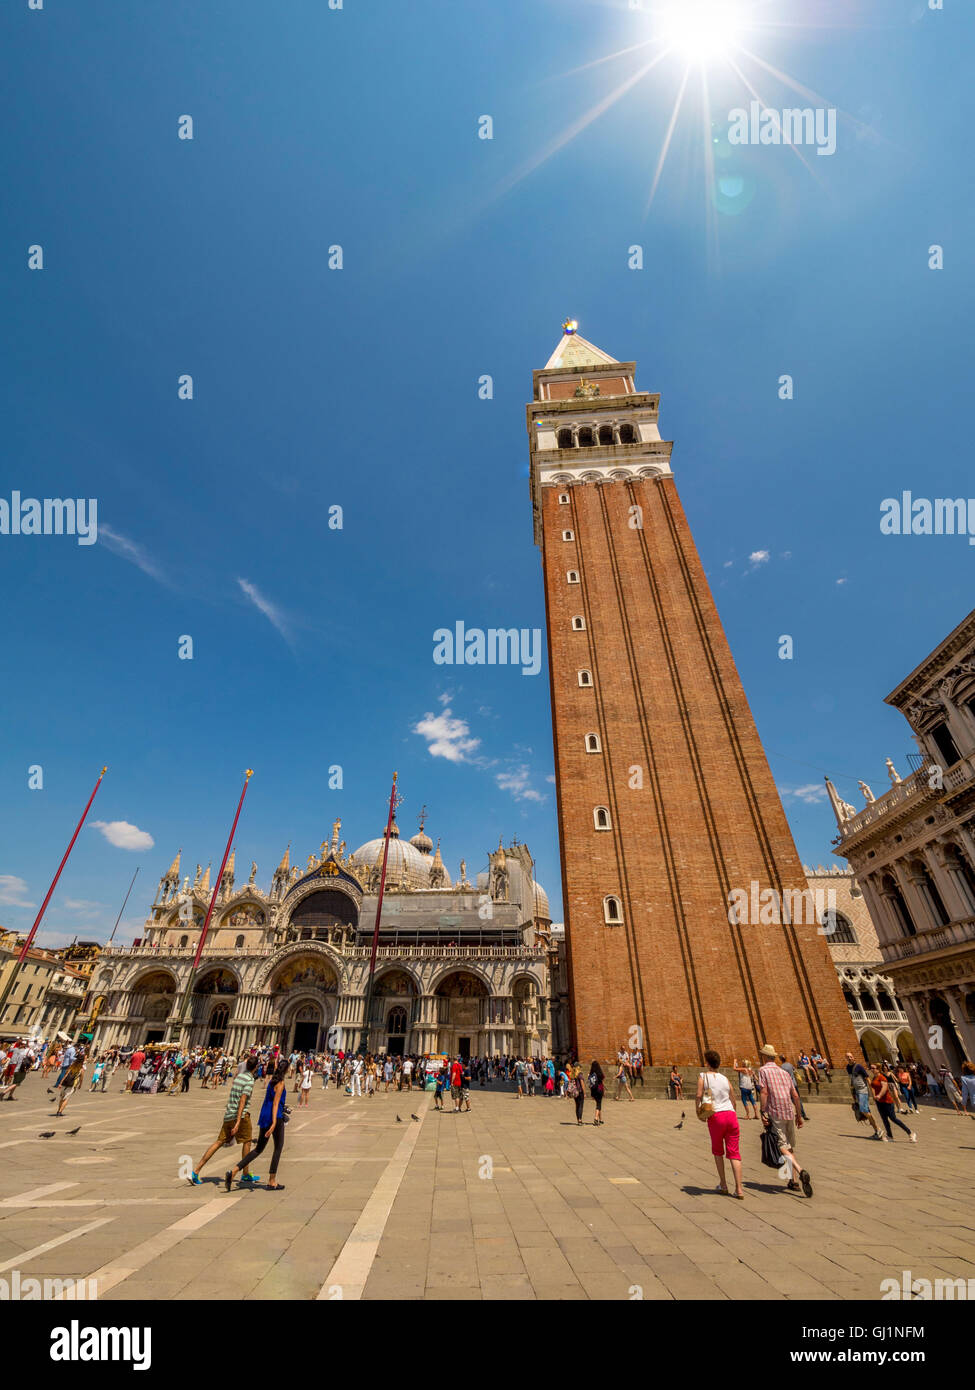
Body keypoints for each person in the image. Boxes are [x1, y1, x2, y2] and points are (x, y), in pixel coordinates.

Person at [189, 1055, 259, 1186]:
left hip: (229, 1114)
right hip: (241, 1116)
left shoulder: (239, 1078)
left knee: (219, 1142)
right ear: (256, 1067)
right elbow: (242, 1101)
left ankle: (196, 1171)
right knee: (247, 1141)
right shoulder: (249, 1080)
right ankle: (245, 1174)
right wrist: (238, 1121)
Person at [757, 1043, 811, 1196]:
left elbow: (764, 1092)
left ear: (764, 1056)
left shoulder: (763, 1071)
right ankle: (792, 1181)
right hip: (789, 1112)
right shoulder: (784, 1072)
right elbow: (795, 1095)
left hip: (776, 1113)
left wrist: (763, 1111)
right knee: (788, 1147)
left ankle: (800, 1171)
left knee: (781, 1146)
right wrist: (799, 1116)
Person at [227, 1058, 288, 1191]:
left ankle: (234, 1171)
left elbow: (271, 1101)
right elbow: (276, 1104)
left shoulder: (272, 1081)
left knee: (258, 1149)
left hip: (264, 1115)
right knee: (278, 1148)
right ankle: (272, 1181)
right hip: (274, 1117)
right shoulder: (281, 1083)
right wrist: (274, 1123)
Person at [697, 1050, 744, 1199]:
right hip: (731, 1116)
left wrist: (699, 1112)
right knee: (734, 1154)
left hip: (716, 1117)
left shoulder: (703, 1076)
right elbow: (733, 1098)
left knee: (718, 1151)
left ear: (707, 1063)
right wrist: (733, 1113)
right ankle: (739, 1189)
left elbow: (699, 1096)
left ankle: (723, 1184)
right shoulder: (725, 1078)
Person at [869, 1063, 917, 1142]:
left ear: (878, 1069)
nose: (871, 1069)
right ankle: (890, 1136)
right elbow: (873, 1087)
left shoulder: (882, 1077)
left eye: (873, 1068)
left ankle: (910, 1132)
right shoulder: (874, 1077)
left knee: (893, 1118)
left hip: (887, 1101)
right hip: (879, 1102)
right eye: (871, 1068)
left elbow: (884, 1087)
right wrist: (875, 1097)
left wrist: (879, 1095)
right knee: (884, 1119)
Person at [845, 1052, 885, 1140]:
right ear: (846, 1059)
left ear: (853, 1057)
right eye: (848, 1057)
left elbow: (867, 1079)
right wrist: (852, 1093)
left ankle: (878, 1129)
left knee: (863, 1110)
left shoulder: (859, 1067)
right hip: (856, 1091)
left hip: (863, 1090)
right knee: (865, 1111)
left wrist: (873, 1093)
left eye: (851, 1056)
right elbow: (851, 1080)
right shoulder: (848, 1067)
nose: (850, 1058)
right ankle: (877, 1132)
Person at [55, 1049, 86, 1116]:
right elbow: (81, 1078)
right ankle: (60, 1112)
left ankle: (58, 1110)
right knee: (66, 1098)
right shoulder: (82, 1069)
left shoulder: (72, 1066)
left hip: (65, 1083)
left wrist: (60, 1083)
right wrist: (80, 1085)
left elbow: (65, 1075)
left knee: (61, 1098)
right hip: (72, 1085)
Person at [588, 1060, 604, 1125]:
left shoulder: (591, 1073)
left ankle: (600, 1119)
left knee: (598, 1103)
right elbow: (603, 1078)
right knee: (598, 1104)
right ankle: (596, 1118)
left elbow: (589, 1082)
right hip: (599, 1089)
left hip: (593, 1090)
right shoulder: (599, 1073)